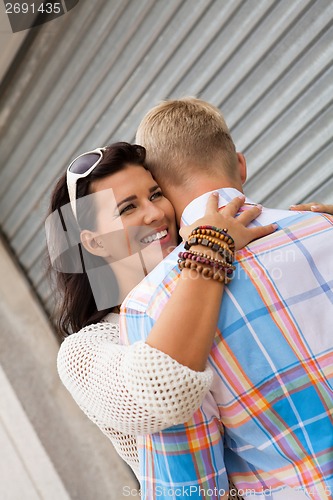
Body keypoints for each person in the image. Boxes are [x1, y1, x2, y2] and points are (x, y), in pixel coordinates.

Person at [119, 98, 333, 500]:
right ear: (240, 164)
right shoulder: (325, 226)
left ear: (161, 192)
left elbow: (189, 489)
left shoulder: (151, 305)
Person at [48, 142, 274, 491]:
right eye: (127, 208)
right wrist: (210, 245)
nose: (155, 213)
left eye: (155, 194)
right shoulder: (85, 351)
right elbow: (162, 390)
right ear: (94, 243)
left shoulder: (223, 268)